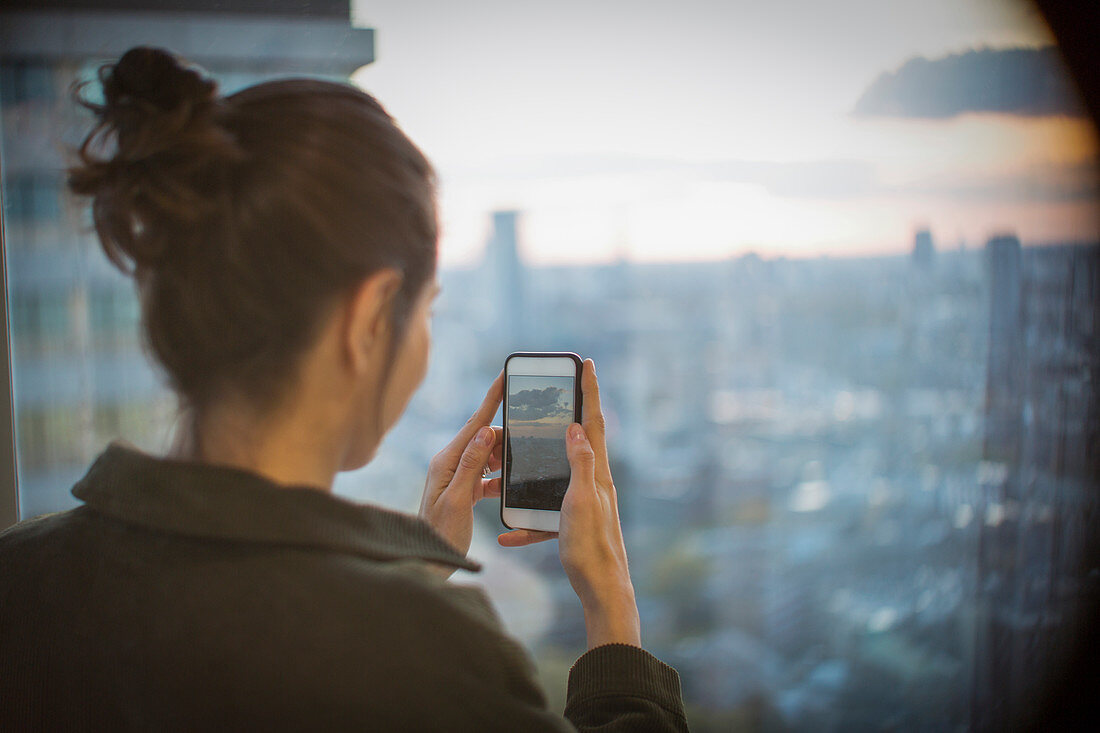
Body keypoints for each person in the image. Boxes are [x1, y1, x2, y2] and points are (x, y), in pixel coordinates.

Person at [0, 47, 687, 731]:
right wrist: (611, 601)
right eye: (426, 311)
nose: (424, 345)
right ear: (366, 319)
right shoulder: (438, 658)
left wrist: (414, 565)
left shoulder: (21, 577)